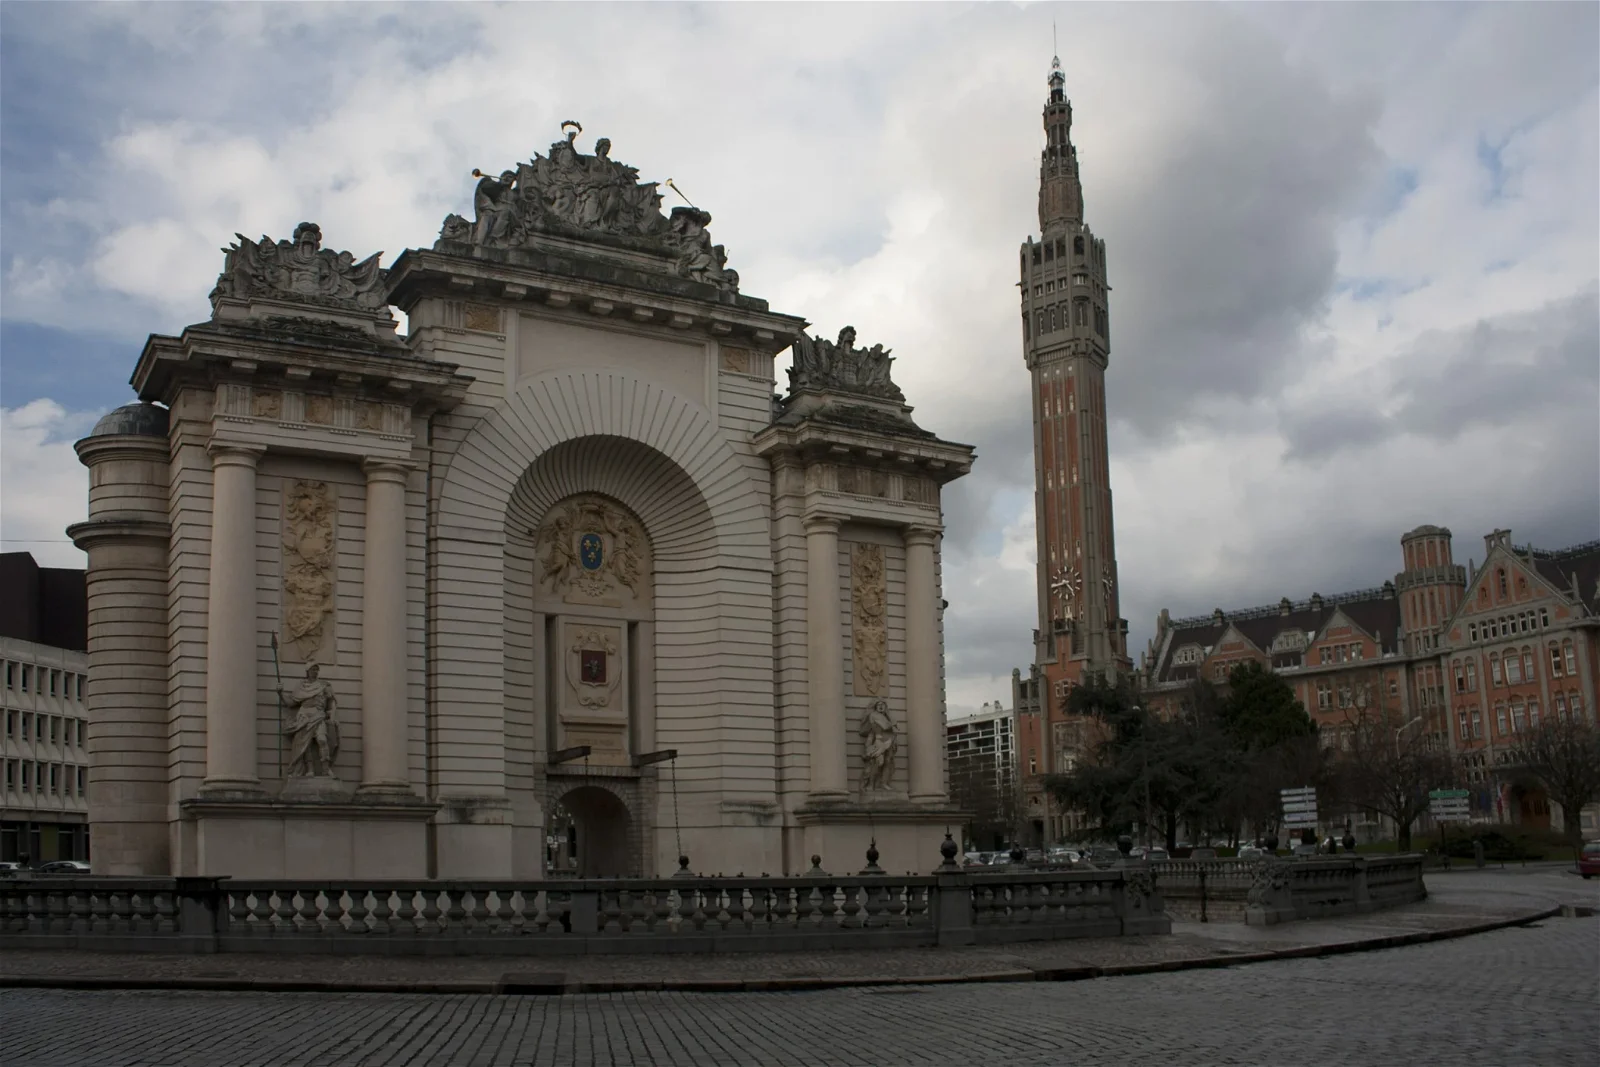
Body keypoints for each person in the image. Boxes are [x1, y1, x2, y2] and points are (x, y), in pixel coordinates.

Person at [281, 663, 339, 778]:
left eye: (316, 669)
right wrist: (280, 694)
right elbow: (291, 703)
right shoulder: (301, 686)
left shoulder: (324, 685)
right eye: (312, 669)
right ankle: (309, 769)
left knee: (322, 740)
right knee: (305, 745)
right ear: (307, 671)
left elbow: (331, 704)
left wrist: (332, 717)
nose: (315, 671)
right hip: (304, 717)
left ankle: (326, 769)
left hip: (318, 715)